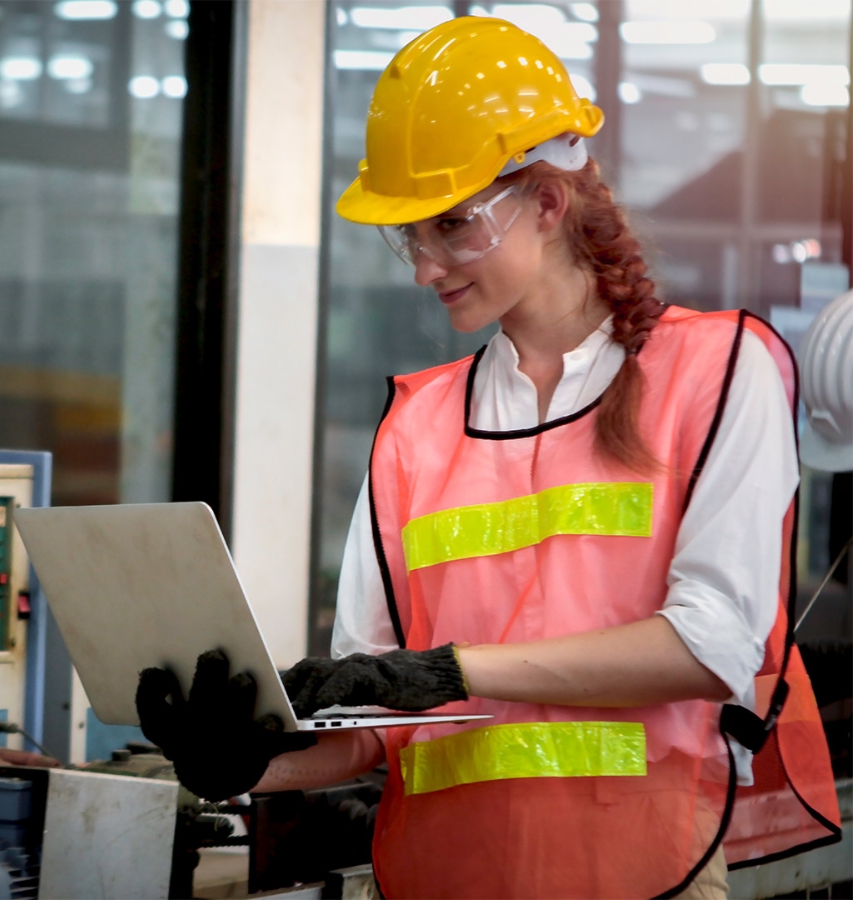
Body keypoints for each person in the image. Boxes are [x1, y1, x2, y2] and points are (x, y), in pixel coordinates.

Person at [136, 16, 840, 900]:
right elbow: (373, 727)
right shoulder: (415, 426)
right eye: (410, 237)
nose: (424, 267)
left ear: (547, 201)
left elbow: (708, 646)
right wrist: (242, 763)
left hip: (641, 879)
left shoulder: (720, 371)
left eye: (452, 225)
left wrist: (449, 669)